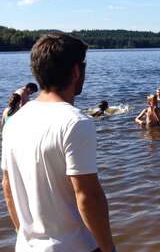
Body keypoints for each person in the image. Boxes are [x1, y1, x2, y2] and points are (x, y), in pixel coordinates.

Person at [1, 33, 116, 252]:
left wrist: (23, 236)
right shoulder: (75, 122)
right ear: (76, 71)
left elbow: (7, 187)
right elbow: (87, 197)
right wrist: (109, 249)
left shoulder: (14, 122)